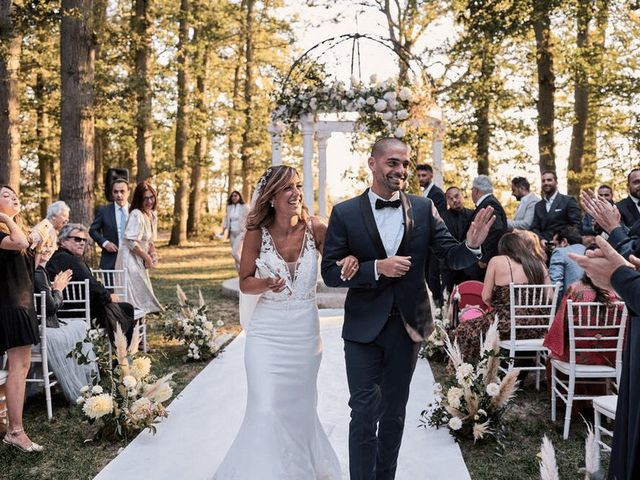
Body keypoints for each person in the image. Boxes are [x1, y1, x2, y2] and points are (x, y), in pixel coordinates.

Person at [321, 138, 494, 480]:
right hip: (362, 329)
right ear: (372, 163)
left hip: (408, 326)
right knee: (363, 412)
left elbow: (450, 255)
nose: (400, 170)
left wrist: (471, 246)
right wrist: (375, 268)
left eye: (405, 163)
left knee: (395, 414)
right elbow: (330, 273)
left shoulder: (423, 208)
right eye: (392, 162)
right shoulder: (344, 212)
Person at [213, 165, 357, 479]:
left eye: (297, 186)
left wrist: (349, 261)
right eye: (286, 189)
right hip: (267, 332)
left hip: (304, 334)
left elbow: (336, 265)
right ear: (272, 198)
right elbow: (245, 282)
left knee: (299, 410)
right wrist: (266, 284)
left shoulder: (317, 228)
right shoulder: (256, 233)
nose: (295, 194)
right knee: (264, 407)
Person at [568, 236, 640, 480]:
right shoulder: (614, 299)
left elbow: (560, 332)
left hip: (584, 358)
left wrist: (621, 277)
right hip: (614, 359)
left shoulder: (575, 292)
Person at [453, 232, 551, 359]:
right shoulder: (539, 264)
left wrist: (498, 304)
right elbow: (550, 297)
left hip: (507, 325)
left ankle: (472, 371)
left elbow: (486, 296)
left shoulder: (496, 261)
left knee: (465, 329)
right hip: (537, 327)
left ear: (503, 248)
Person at [0, 185, 43, 452]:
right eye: (6, 196)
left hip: (24, 304)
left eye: (15, 194)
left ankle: (14, 427)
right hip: (10, 305)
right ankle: (15, 431)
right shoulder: (4, 233)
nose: (14, 197)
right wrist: (6, 218)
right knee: (18, 368)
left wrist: (41, 251)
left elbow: (30, 267)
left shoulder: (17, 231)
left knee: (22, 367)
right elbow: (19, 243)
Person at [46, 224, 136, 343]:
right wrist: (109, 297)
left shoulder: (53, 259)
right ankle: (121, 355)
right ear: (63, 241)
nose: (82, 243)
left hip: (61, 313)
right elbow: (94, 287)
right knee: (127, 308)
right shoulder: (73, 261)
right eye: (77, 239)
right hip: (82, 315)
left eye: (84, 240)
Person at [33, 238, 98, 403]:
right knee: (80, 327)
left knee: (78, 326)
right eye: (45, 246)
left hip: (33, 327)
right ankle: (82, 380)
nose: (48, 249)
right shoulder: (39, 272)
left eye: (50, 245)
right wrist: (58, 289)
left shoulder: (32, 270)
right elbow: (50, 308)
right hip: (41, 330)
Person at [115, 181, 163, 315]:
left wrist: (153, 253)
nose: (149, 201)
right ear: (139, 199)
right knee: (133, 291)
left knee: (142, 289)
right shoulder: (136, 214)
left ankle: (143, 315)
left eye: (151, 197)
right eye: (145, 198)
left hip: (139, 256)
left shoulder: (152, 215)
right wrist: (146, 257)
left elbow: (150, 240)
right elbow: (131, 241)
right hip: (129, 257)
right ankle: (129, 317)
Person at [464, 175, 507, 281]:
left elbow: (496, 229)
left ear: (476, 191)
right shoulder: (488, 202)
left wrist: (484, 258)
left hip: (483, 263)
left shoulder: (489, 204)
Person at [416, 164, 446, 307]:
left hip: (434, 243)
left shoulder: (437, 194)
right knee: (428, 277)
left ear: (431, 175)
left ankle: (439, 307)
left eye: (424, 175)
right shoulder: (425, 193)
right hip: (425, 244)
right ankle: (436, 307)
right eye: (419, 175)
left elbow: (437, 219)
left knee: (433, 277)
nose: (421, 178)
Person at [530, 171, 581, 250]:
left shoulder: (568, 201)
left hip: (563, 246)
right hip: (542, 246)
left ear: (556, 182)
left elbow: (576, 225)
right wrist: (541, 240)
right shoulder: (538, 205)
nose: (546, 183)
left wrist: (560, 240)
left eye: (549, 180)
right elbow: (534, 228)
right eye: (543, 181)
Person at [90, 178, 130, 270]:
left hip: (131, 258)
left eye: (122, 191)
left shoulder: (134, 211)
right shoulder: (104, 211)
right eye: (115, 192)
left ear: (128, 192)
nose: (119, 195)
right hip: (111, 259)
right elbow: (93, 230)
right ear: (112, 193)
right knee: (111, 284)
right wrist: (105, 243)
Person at [441, 186, 474, 293]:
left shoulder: (473, 214)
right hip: (449, 268)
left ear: (462, 196)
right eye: (450, 198)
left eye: (456, 196)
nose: (454, 200)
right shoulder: (442, 218)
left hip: (470, 267)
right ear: (447, 201)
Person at [549, 226, 586, 300]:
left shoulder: (560, 252)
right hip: (596, 304)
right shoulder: (588, 250)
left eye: (555, 245)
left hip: (571, 304)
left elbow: (556, 286)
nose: (553, 248)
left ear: (564, 242)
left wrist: (557, 310)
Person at [221, 190, 249, 272]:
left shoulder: (245, 207)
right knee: (237, 255)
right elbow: (227, 219)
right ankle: (240, 277)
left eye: (235, 195)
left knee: (235, 253)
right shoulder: (229, 207)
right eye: (232, 196)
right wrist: (223, 229)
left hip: (241, 232)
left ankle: (246, 269)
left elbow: (250, 218)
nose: (234, 197)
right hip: (232, 233)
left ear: (239, 196)